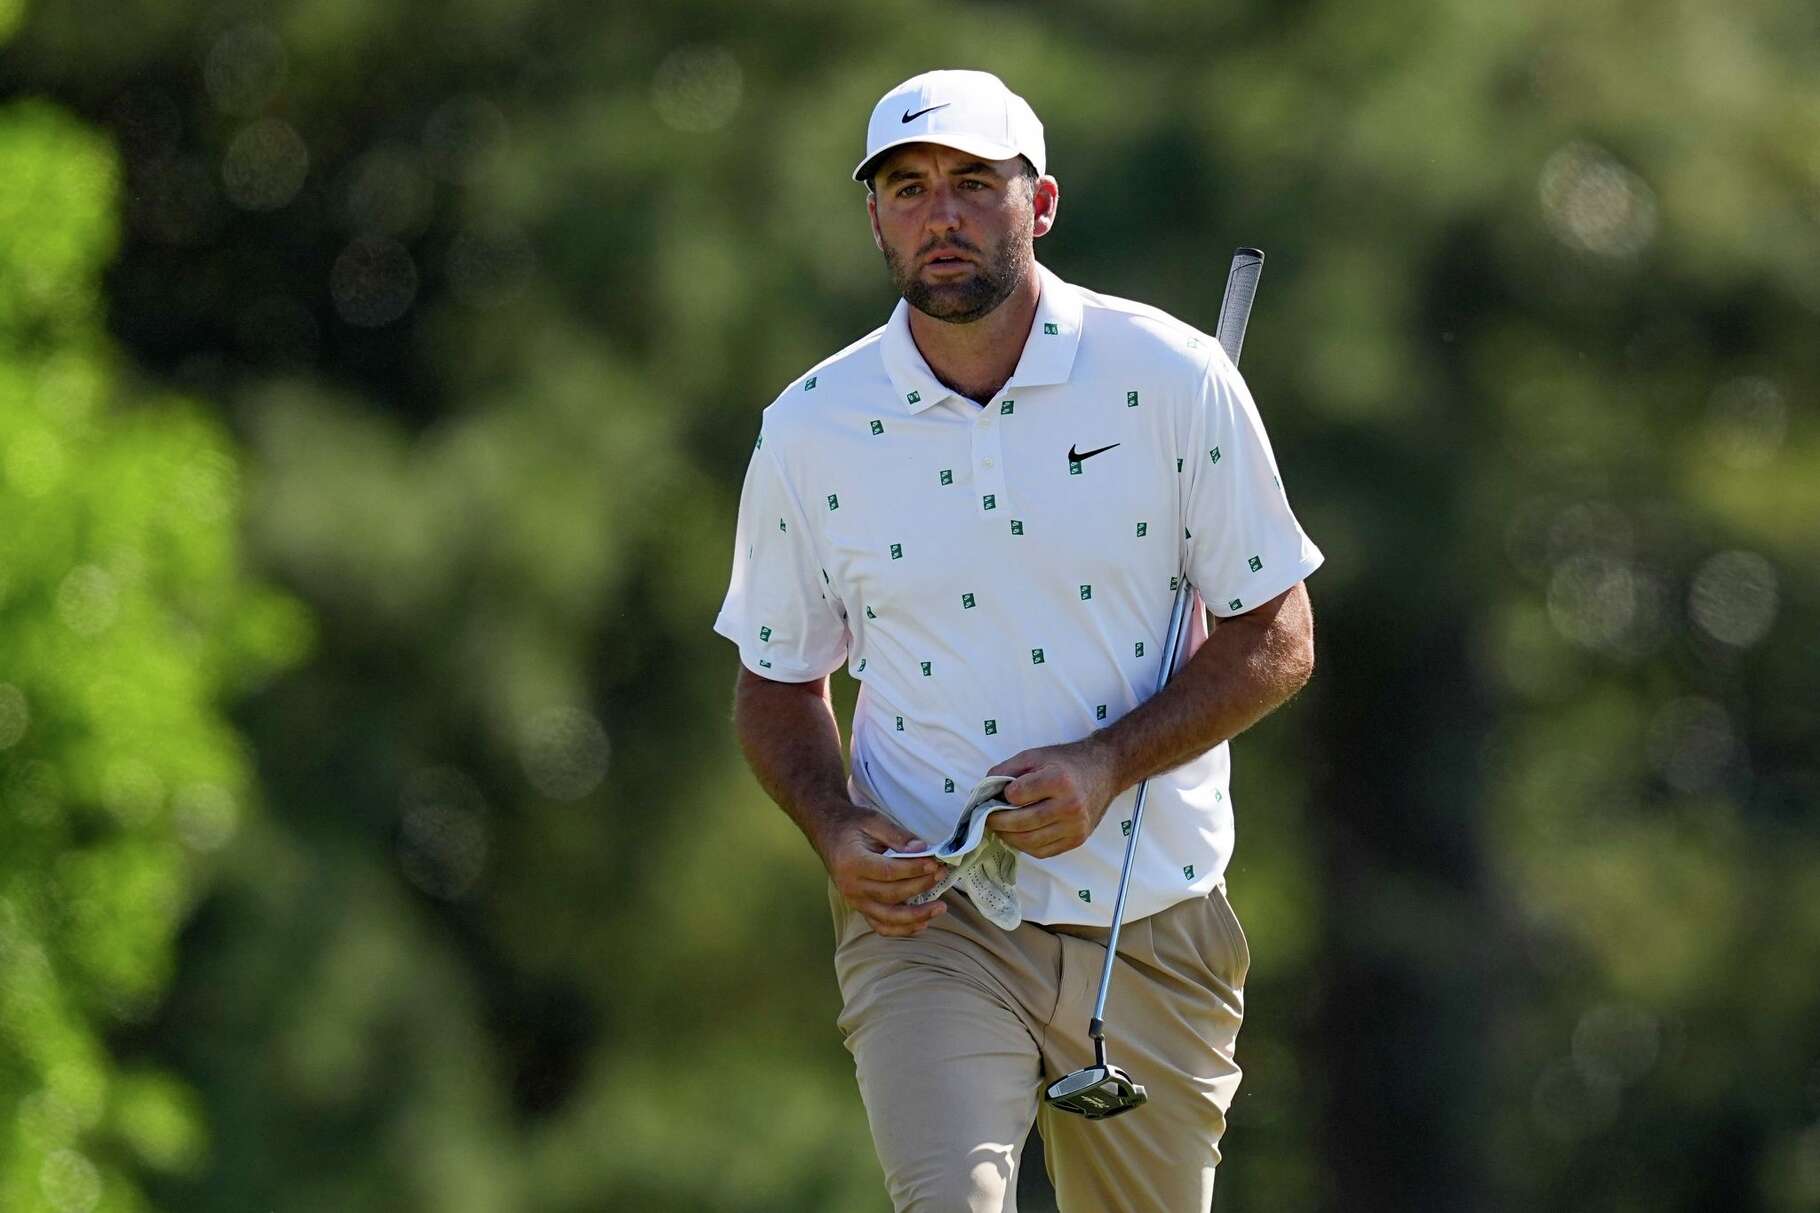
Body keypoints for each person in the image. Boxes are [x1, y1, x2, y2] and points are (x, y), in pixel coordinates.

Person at [713, 68, 1322, 1212]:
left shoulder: (1171, 379)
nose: (938, 214)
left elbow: (1276, 632)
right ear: (874, 218)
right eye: (906, 188)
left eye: (970, 184)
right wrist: (836, 827)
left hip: (1152, 917)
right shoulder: (809, 427)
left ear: (1037, 204)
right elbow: (774, 680)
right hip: (929, 912)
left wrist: (1106, 764)